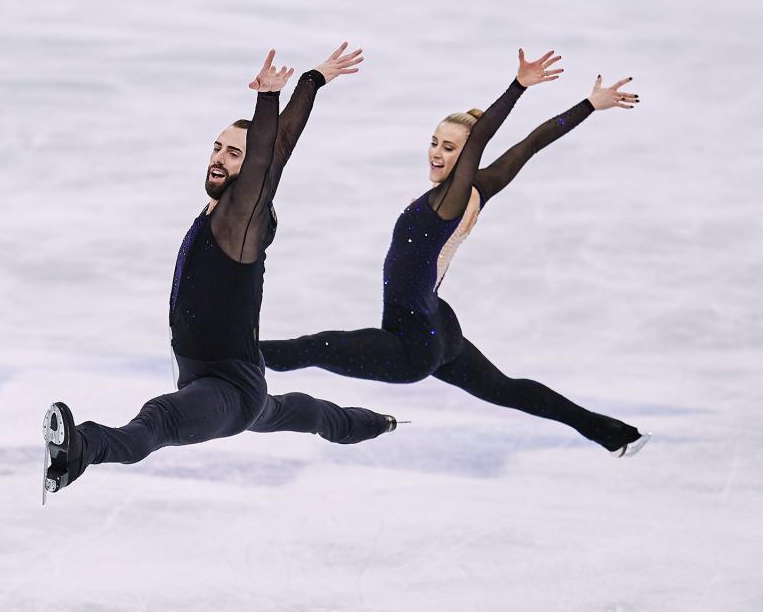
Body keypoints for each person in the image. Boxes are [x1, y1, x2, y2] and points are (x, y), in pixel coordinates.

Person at [43, 44, 397, 503]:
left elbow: (272, 154)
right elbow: (271, 150)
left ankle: (77, 451)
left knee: (159, 421)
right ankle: (371, 423)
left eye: (234, 154)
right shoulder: (218, 214)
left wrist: (269, 98)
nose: (219, 157)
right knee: (306, 412)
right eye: (217, 147)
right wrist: (311, 80)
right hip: (220, 382)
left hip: (227, 388)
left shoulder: (241, 224)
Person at [261, 48, 650, 458]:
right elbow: (532, 142)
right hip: (437, 325)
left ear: (466, 157)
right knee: (507, 390)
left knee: (312, 348)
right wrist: (589, 104)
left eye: (449, 148)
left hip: (410, 344)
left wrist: (517, 87)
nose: (436, 153)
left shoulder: (451, 198)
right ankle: (614, 434)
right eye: (434, 142)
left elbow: (485, 139)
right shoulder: (482, 187)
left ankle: (206, 354)